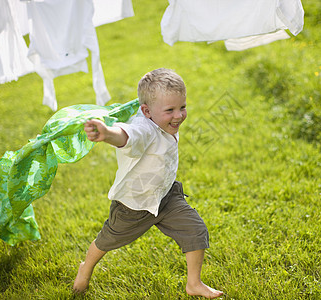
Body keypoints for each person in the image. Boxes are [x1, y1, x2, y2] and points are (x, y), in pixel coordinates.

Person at [73, 68, 223, 299]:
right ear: (146, 111)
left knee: (195, 229)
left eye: (182, 107)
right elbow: (128, 136)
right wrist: (108, 134)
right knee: (106, 241)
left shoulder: (164, 122)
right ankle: (86, 267)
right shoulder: (144, 128)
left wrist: (168, 113)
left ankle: (194, 283)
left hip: (166, 197)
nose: (179, 115)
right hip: (134, 205)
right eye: (170, 110)